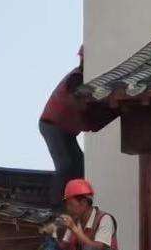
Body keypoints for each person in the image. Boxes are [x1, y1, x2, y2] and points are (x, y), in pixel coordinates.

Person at [39, 47, 114, 201]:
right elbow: (84, 111)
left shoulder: (83, 79)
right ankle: (57, 204)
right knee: (66, 165)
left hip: (65, 130)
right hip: (53, 126)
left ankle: (75, 200)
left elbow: (91, 120)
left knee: (80, 165)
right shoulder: (76, 79)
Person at [39, 176, 120, 250]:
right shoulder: (75, 221)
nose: (68, 208)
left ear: (83, 203)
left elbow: (98, 249)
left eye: (71, 205)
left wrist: (74, 229)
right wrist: (54, 234)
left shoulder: (104, 219)